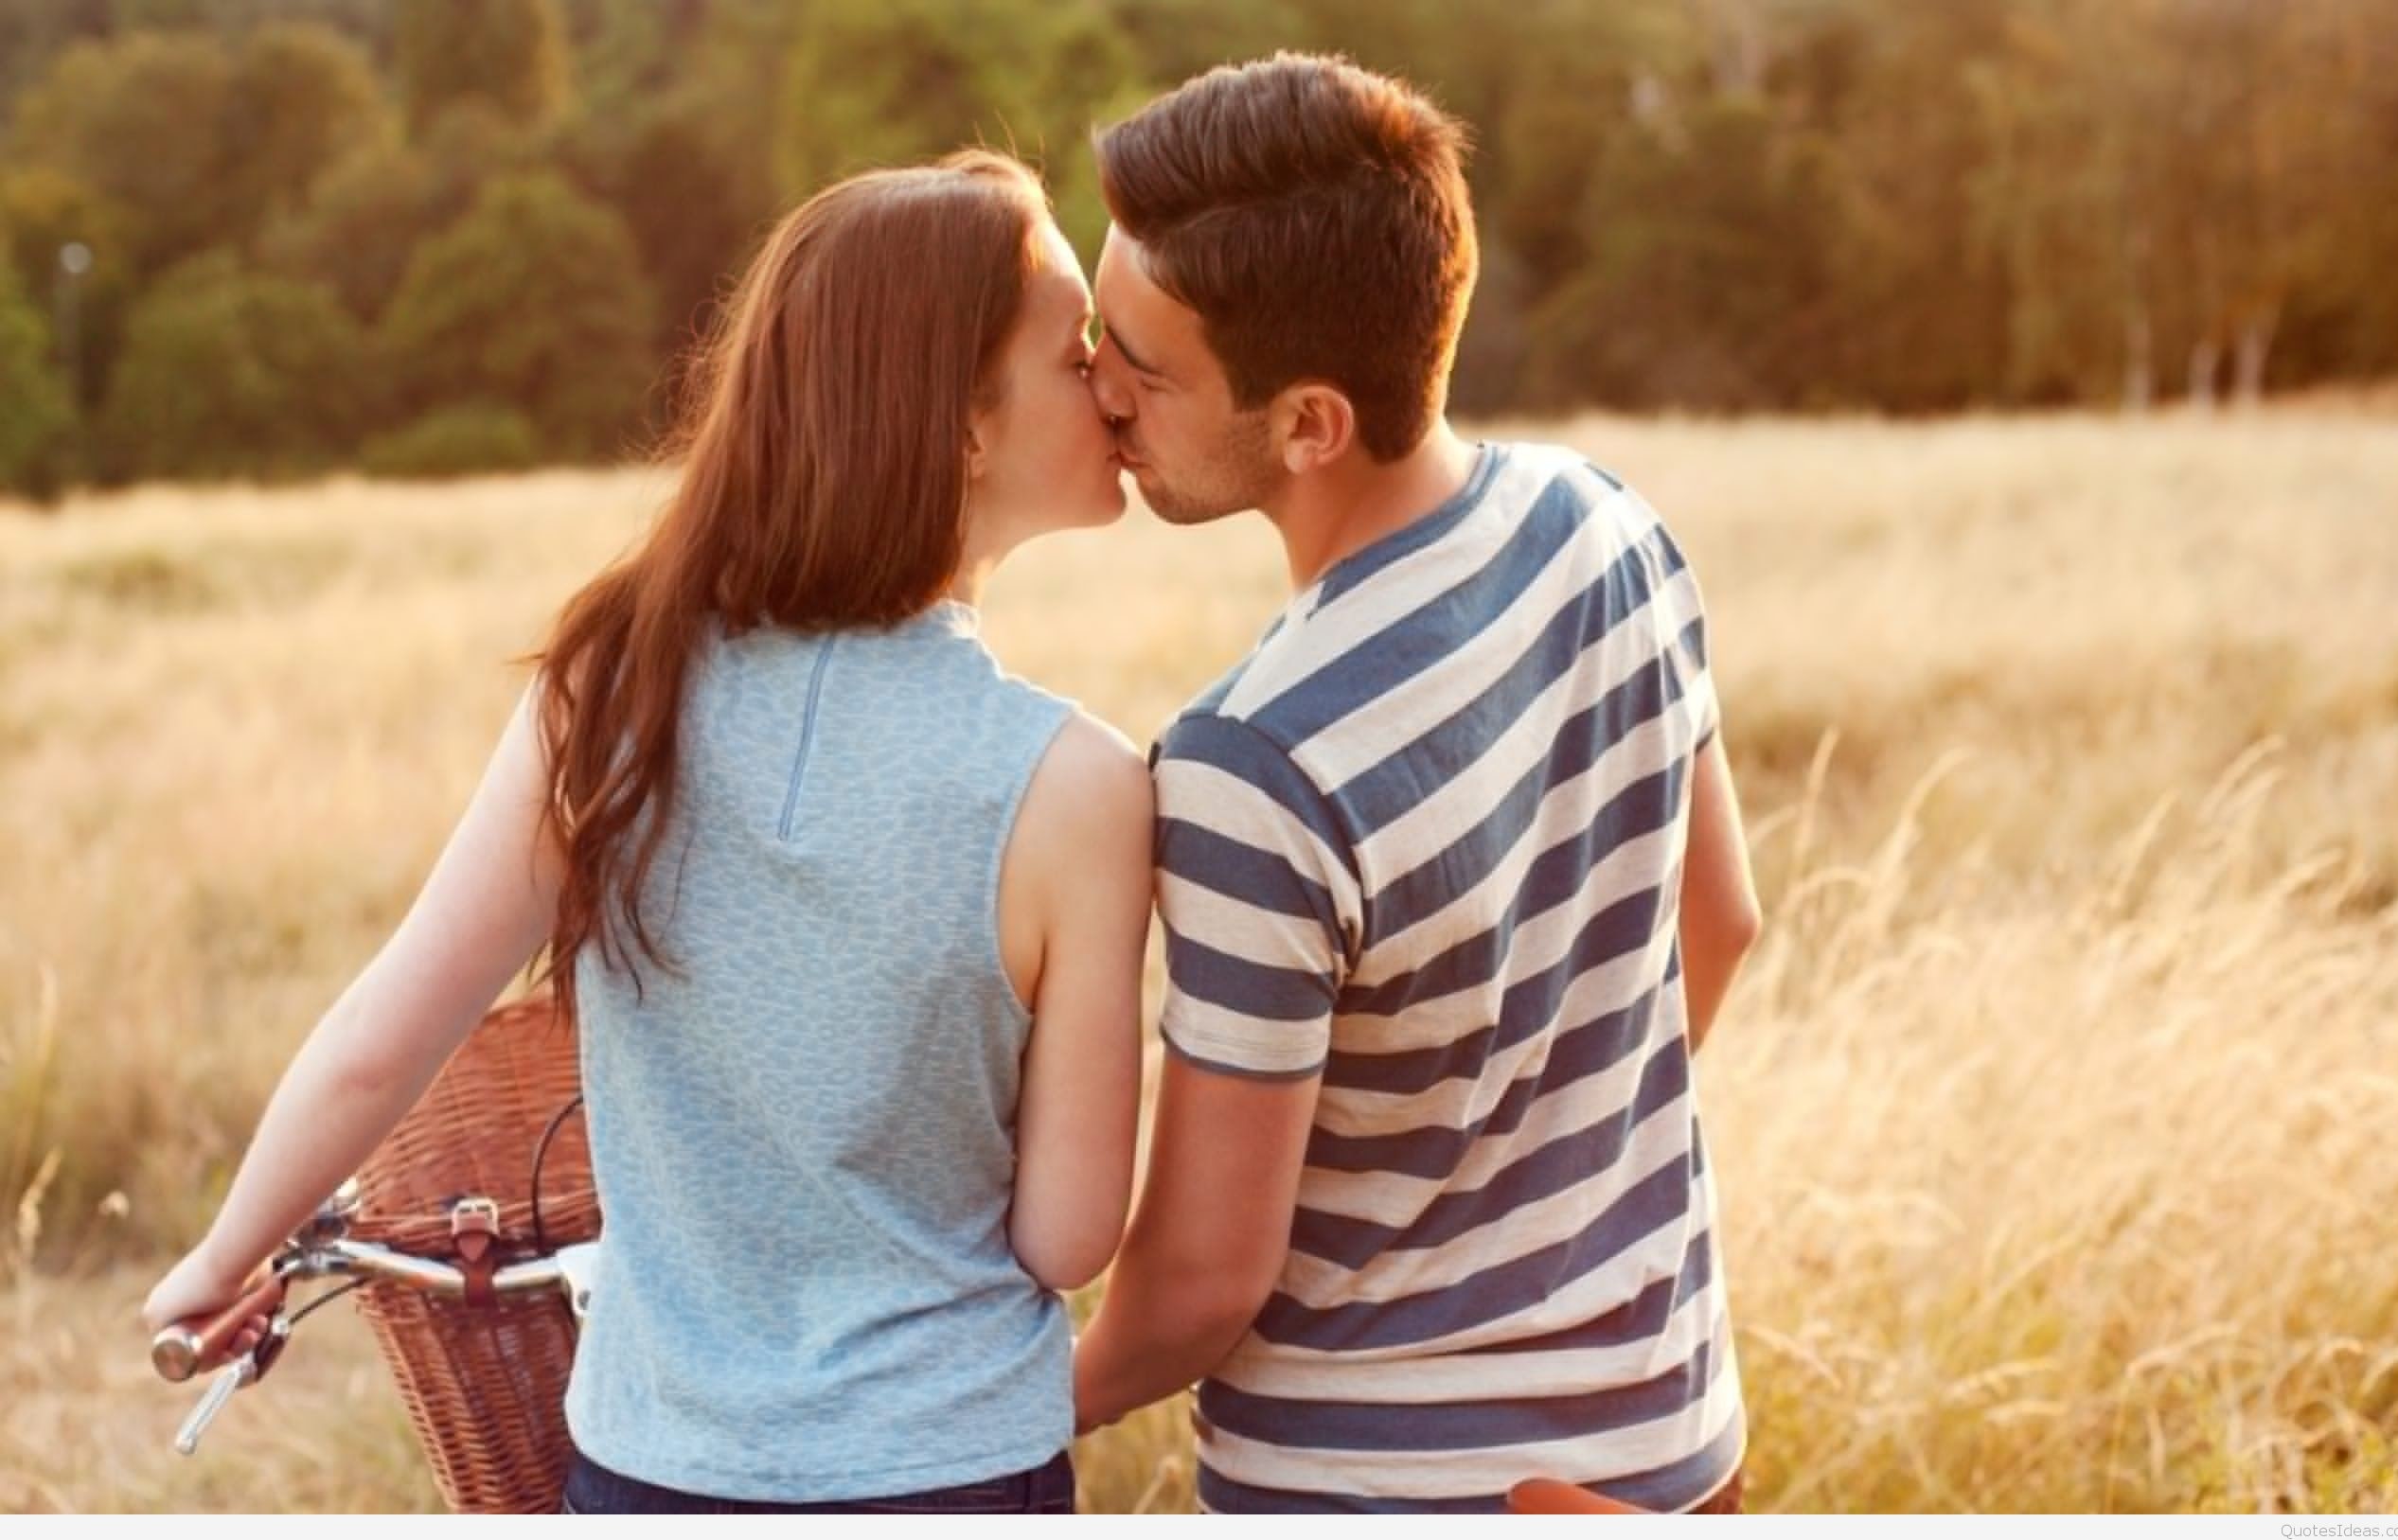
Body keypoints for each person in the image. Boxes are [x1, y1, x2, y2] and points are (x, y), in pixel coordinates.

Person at [141, 150, 1152, 1515]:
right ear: (961, 426)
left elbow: (392, 1029)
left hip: (653, 1470)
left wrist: (222, 1258)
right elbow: (1067, 1235)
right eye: (1076, 349)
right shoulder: (1078, 785)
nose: (1112, 385)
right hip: (953, 1471)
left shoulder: (617, 688)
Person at [1068, 55, 1766, 1513]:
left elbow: (1202, 1280)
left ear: (1310, 421)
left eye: (1141, 362)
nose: (1097, 388)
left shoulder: (1252, 765)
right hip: (1669, 1451)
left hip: (1385, 1497)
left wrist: (970, 1418)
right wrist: (1541, 1213)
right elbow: (1725, 925)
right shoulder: (1607, 526)